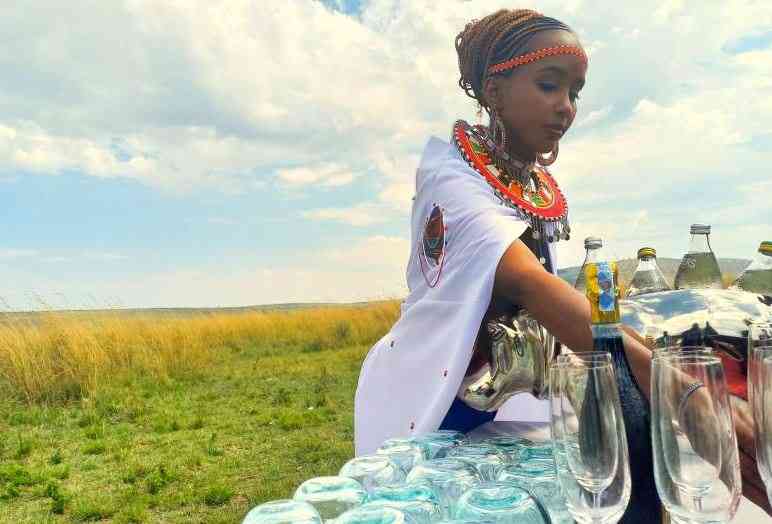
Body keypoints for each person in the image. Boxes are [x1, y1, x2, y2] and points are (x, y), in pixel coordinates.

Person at [353, 7, 770, 519]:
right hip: (435, 396)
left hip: (504, 401)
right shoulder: (451, 179)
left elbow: (589, 317)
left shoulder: (524, 185)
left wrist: (675, 380)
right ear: (493, 89)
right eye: (550, 86)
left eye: (575, 93)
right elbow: (533, 286)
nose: (566, 108)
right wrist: (684, 395)